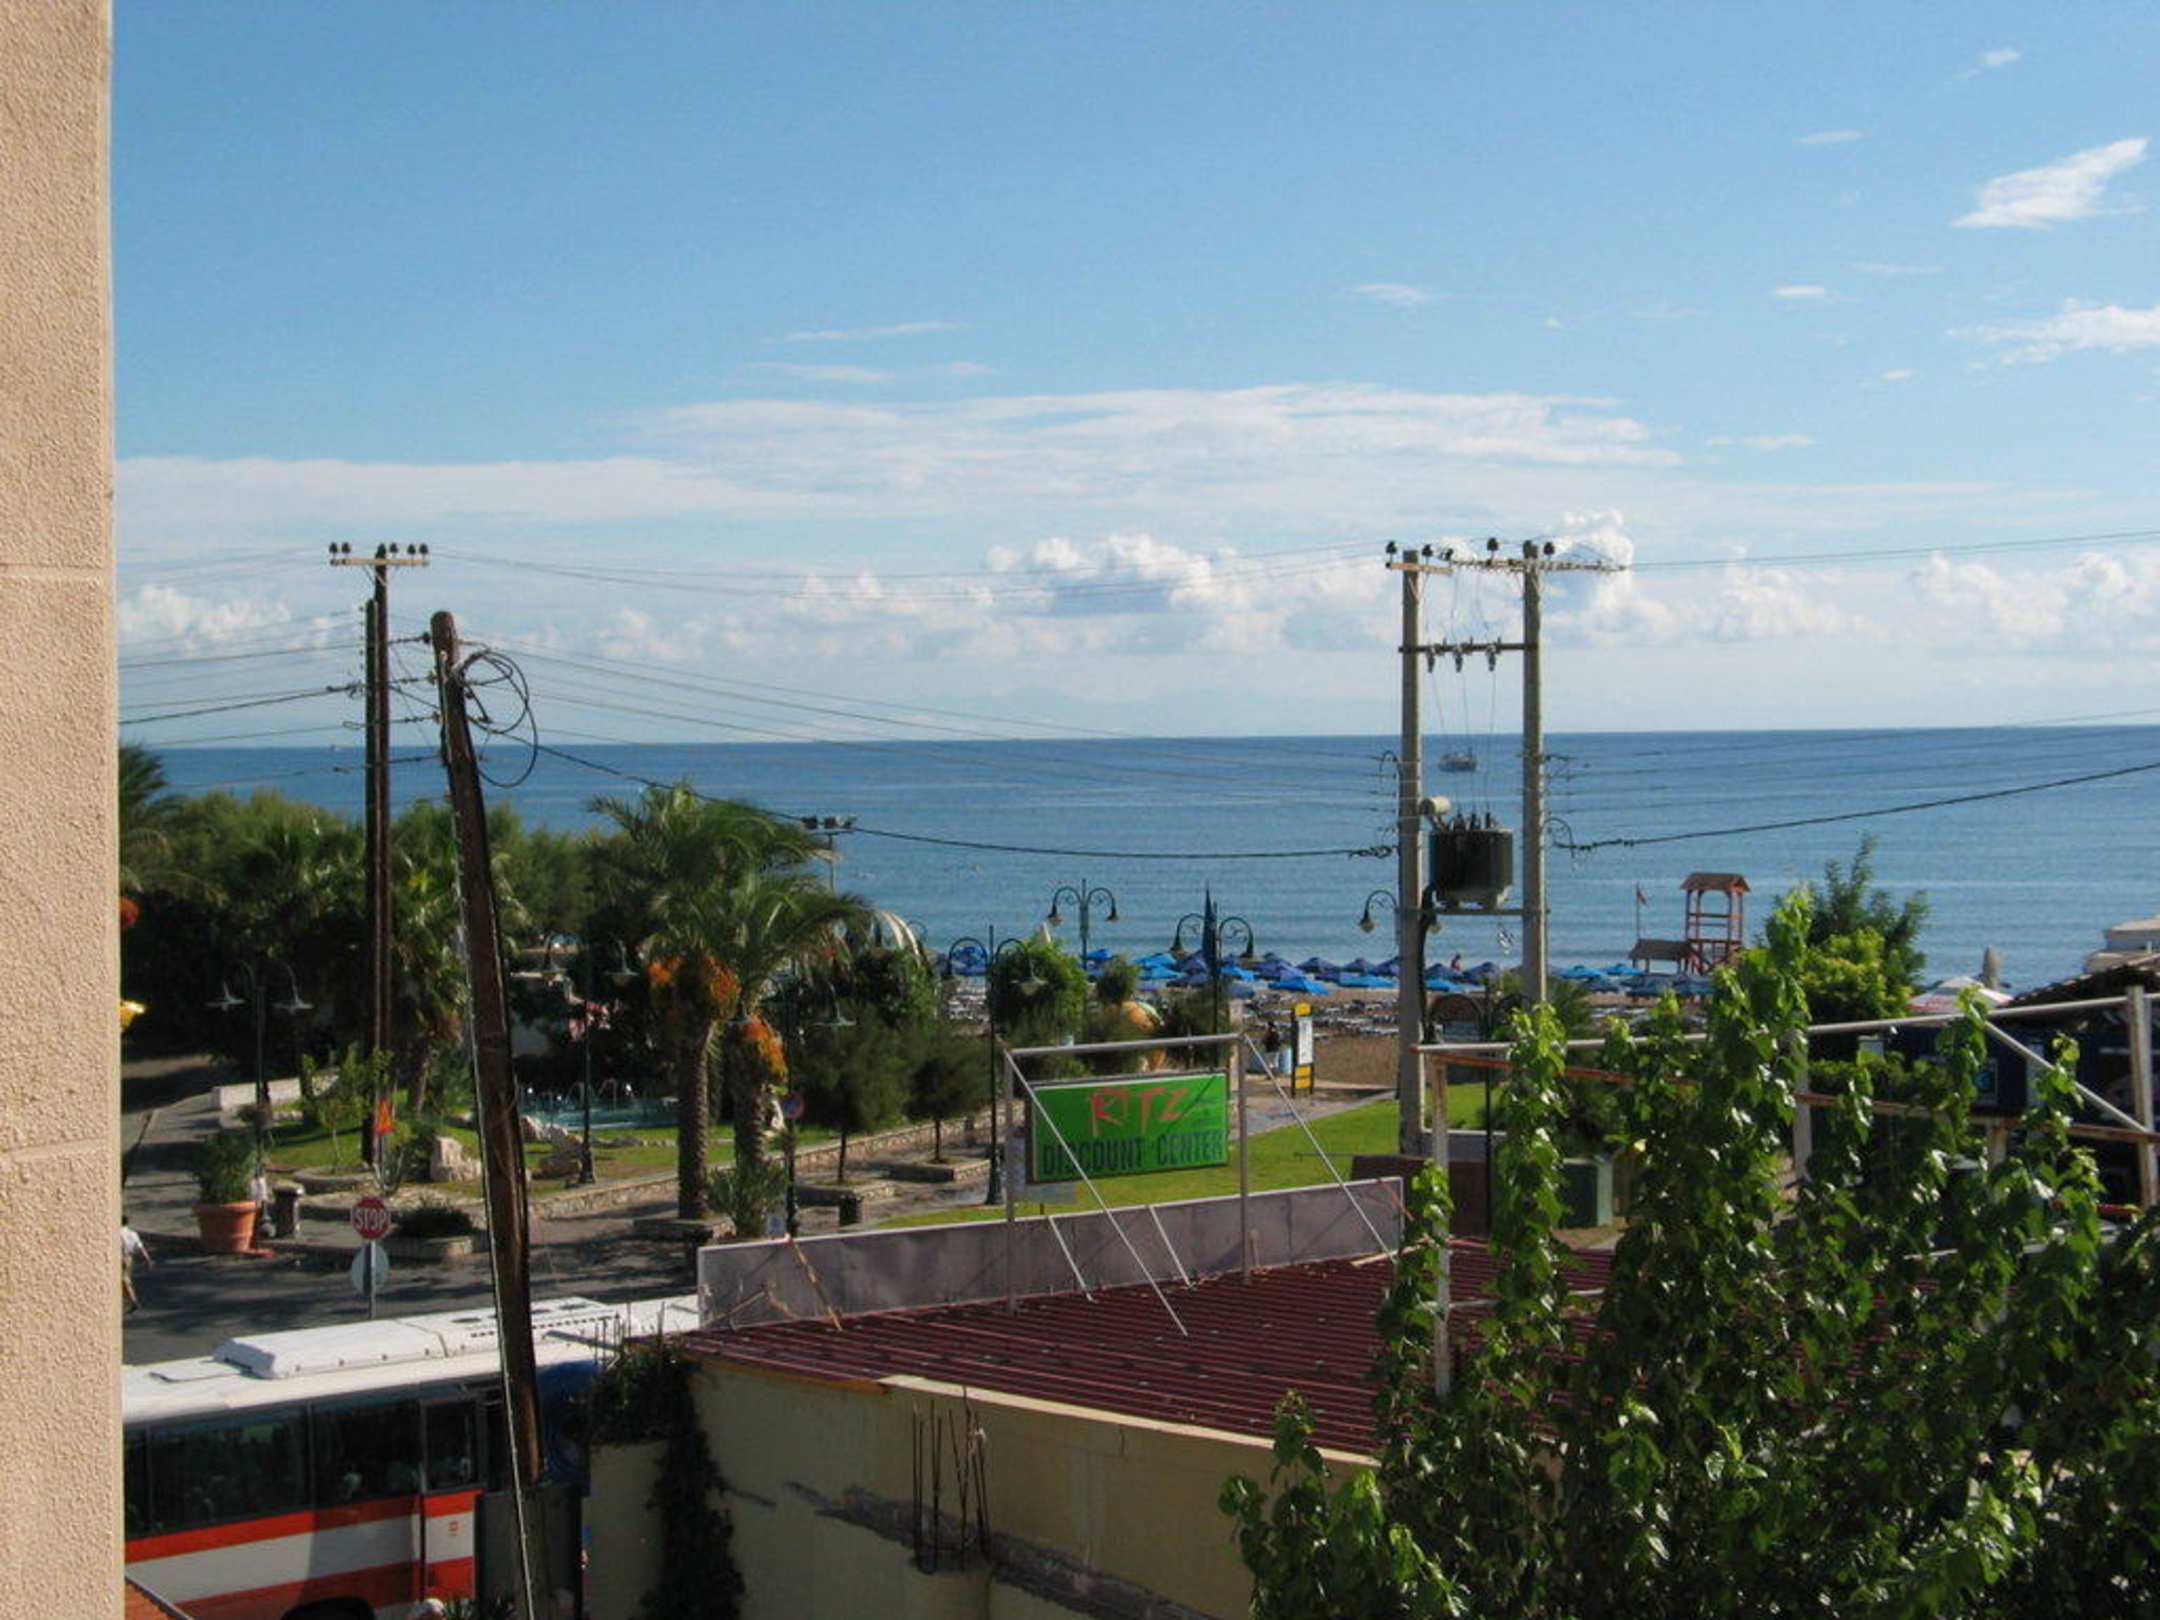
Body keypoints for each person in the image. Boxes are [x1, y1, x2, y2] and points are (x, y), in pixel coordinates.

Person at [120, 1213, 151, 1313]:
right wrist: (147, 1258)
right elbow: (140, 1246)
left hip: (121, 1256)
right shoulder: (133, 1233)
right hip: (129, 1257)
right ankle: (128, 1300)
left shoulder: (117, 1233)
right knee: (125, 1278)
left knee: (123, 1279)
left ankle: (133, 1301)